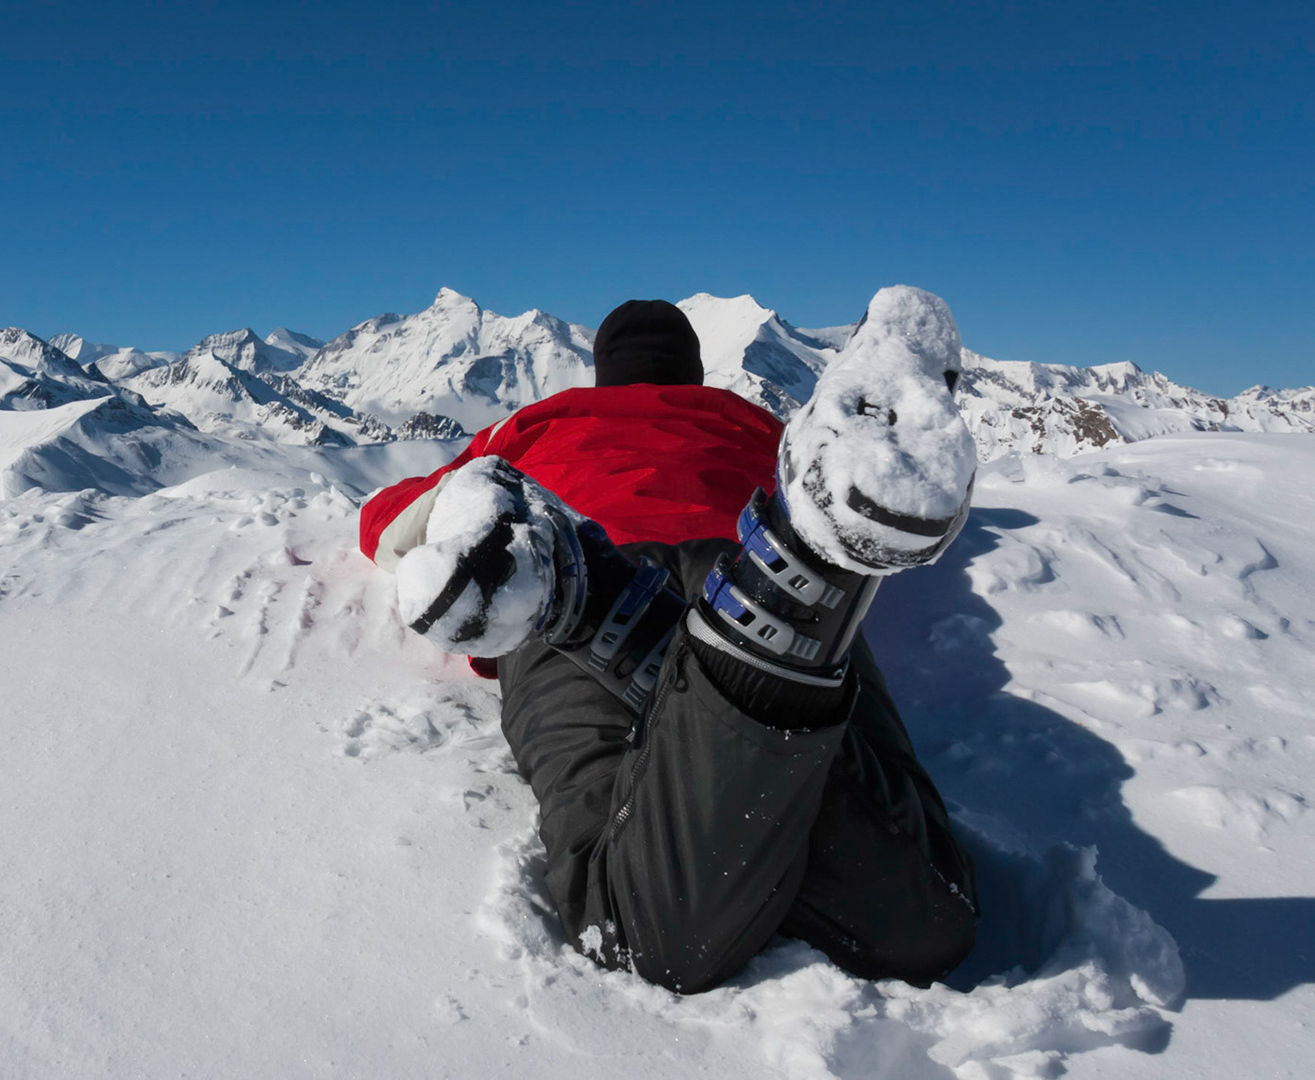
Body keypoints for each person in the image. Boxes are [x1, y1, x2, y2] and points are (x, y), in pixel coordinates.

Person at [358, 288, 980, 993]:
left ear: (600, 372)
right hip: (751, 577)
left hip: (571, 584)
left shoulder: (533, 424)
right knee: (925, 919)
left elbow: (390, 520)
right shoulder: (752, 422)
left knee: (642, 926)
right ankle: (792, 590)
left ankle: (607, 612)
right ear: (691, 371)